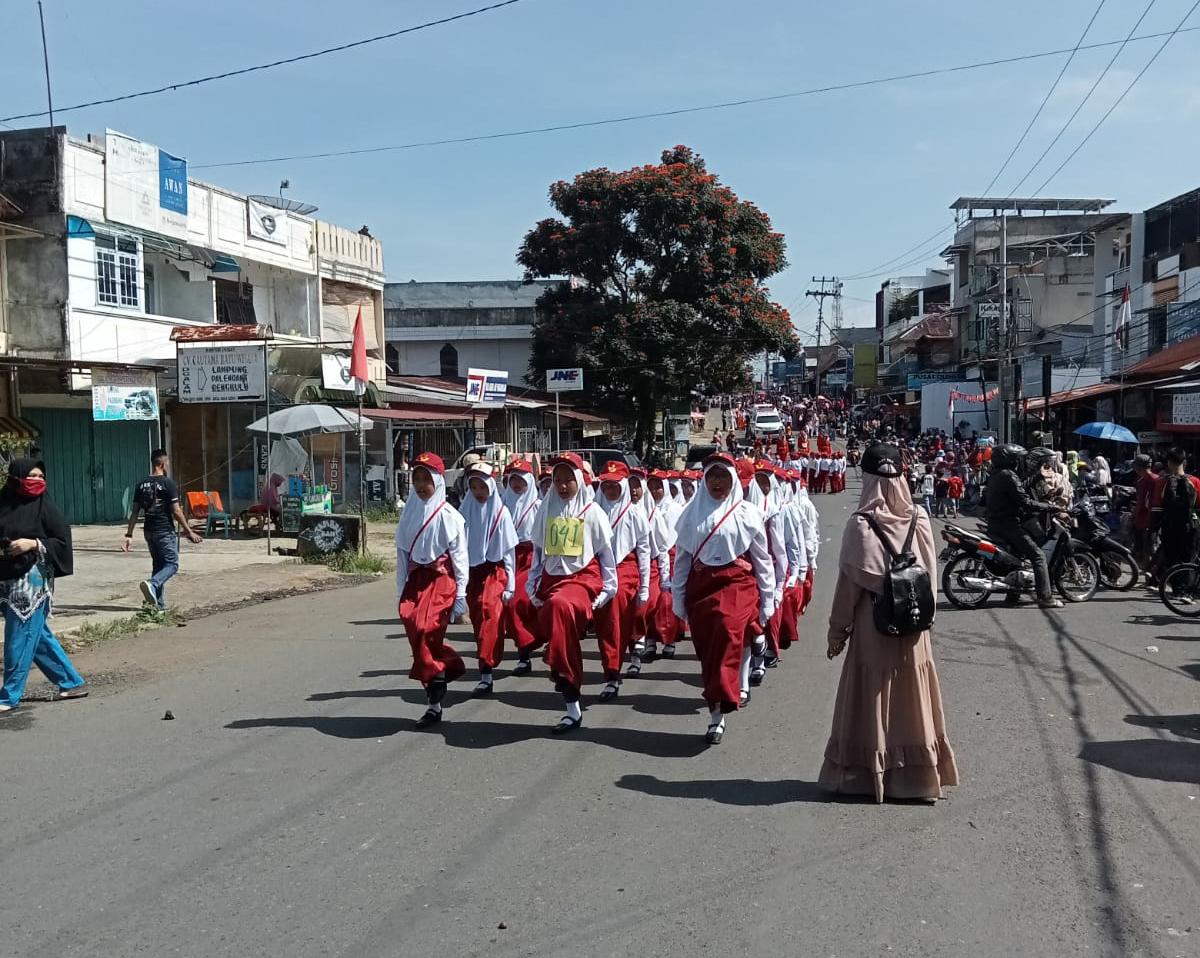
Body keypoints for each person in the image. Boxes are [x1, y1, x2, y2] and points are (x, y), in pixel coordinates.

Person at [820, 442, 959, 803]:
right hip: (913, 625)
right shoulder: (920, 519)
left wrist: (837, 631)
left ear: (866, 478)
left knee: (873, 697)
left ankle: (869, 775)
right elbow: (928, 575)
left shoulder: (861, 525)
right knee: (913, 699)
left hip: (873, 624)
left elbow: (848, 589)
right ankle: (919, 777)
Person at [672, 453, 776, 745]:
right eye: (712, 476)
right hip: (701, 588)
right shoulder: (691, 515)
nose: (718, 482)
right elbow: (682, 561)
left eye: (723, 475)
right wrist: (678, 599)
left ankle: (719, 710)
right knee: (710, 651)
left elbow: (763, 560)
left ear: (734, 479)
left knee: (727, 629)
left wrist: (768, 599)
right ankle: (723, 698)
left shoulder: (747, 514)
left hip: (737, 584)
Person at [527, 453, 617, 734]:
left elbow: (605, 556)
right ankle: (570, 697)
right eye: (557, 480)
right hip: (552, 580)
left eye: (569, 479)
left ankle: (560, 668)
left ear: (579, 480)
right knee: (556, 616)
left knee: (559, 606)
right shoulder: (546, 509)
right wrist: (531, 584)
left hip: (582, 580)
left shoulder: (592, 512)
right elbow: (538, 553)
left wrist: (609, 587)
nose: (563, 485)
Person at [0, 459, 87, 714]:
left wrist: (33, 543)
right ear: (15, 478)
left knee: (18, 636)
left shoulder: (44, 506)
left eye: (40, 476)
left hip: (33, 578)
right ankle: (71, 681)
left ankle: (9, 695)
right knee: (35, 635)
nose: (36, 480)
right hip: (6, 576)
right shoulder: (3, 503)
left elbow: (61, 539)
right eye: (30, 476)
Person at [394, 453, 469, 729]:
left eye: (428, 479)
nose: (422, 485)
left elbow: (459, 558)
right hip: (415, 582)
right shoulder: (408, 514)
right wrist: (400, 589)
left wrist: (460, 595)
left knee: (427, 629)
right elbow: (402, 555)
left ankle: (437, 683)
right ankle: (437, 682)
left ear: (438, 481)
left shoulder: (450, 517)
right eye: (417, 479)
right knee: (415, 630)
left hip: (441, 581)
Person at [460, 462, 518, 697]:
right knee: (477, 616)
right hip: (474, 573)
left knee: (489, 612)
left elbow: (508, 552)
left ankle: (486, 664)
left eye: (482, 486)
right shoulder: (465, 511)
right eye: (473, 487)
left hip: (495, 572)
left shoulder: (501, 514)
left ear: (491, 487)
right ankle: (485, 667)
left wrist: (510, 583)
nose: (478, 492)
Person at [594, 461, 650, 696]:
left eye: (615, 485)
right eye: (606, 485)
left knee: (621, 618)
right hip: (598, 569)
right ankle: (612, 673)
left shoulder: (635, 513)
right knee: (606, 624)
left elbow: (644, 549)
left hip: (626, 569)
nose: (610, 490)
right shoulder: (593, 511)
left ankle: (633, 650)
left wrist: (645, 586)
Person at [122, 449, 202, 610]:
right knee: (172, 564)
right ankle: (153, 584)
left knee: (158, 566)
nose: (168, 465)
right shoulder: (167, 483)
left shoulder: (141, 484)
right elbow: (176, 510)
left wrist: (129, 534)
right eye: (167, 463)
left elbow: (135, 511)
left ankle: (158, 606)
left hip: (149, 531)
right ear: (161, 464)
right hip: (164, 530)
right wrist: (189, 531)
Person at [984, 444, 1062, 609]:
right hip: (1009, 525)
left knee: (1018, 560)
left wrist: (1037, 476)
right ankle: (1045, 597)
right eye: (1018, 458)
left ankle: (1013, 595)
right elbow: (1025, 502)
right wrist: (1049, 507)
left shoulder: (996, 474)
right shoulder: (1009, 475)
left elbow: (1018, 489)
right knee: (1038, 556)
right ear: (1011, 459)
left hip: (995, 523)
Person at [500, 460, 543, 672]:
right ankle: (524, 652)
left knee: (519, 600)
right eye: (513, 479)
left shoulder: (538, 506)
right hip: (508, 558)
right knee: (506, 604)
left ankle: (536, 640)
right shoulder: (502, 505)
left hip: (532, 559)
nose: (517, 485)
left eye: (521, 480)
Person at [1152, 448, 1199, 575]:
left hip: (1169, 526)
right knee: (1189, 557)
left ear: (1168, 462)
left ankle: (1176, 588)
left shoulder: (1161, 482)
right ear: (1184, 462)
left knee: (1171, 558)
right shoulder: (1195, 481)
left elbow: (1157, 509)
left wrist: (1154, 529)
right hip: (1190, 526)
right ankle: (1186, 590)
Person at [1131, 454, 1159, 580]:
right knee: (1140, 550)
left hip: (1150, 521)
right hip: (1139, 521)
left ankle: (1151, 578)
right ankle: (1145, 573)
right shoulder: (1140, 481)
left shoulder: (1156, 480)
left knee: (1149, 550)